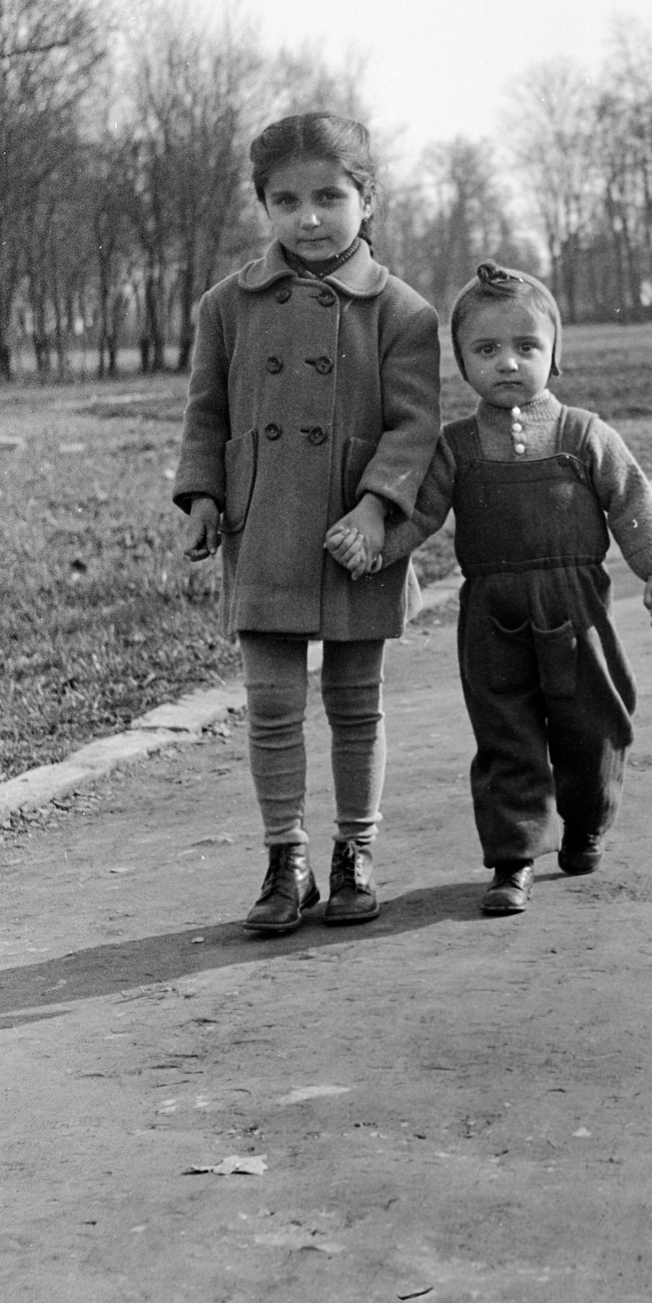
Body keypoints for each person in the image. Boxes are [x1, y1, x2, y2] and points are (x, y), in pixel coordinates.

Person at [173, 113, 441, 934]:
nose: (310, 217)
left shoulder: (402, 311)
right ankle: (284, 857)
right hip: (265, 527)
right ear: (264, 206)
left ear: (367, 198)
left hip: (359, 536)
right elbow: (205, 412)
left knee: (358, 704)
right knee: (271, 703)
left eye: (330, 196)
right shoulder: (227, 306)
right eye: (285, 200)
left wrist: (374, 507)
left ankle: (355, 848)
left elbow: (414, 427)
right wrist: (205, 496)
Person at [383, 261, 652, 917]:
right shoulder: (456, 447)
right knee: (506, 733)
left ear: (554, 352)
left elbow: (630, 501)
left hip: (577, 608)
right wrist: (379, 549)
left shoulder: (584, 433)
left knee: (592, 727)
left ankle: (584, 824)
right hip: (493, 614)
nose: (509, 363)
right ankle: (513, 857)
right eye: (487, 349)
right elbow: (423, 512)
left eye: (527, 347)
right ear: (462, 361)